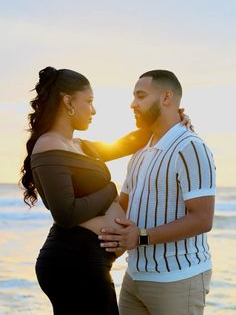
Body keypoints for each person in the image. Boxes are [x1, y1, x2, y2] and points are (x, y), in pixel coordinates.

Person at [20, 67, 191, 315]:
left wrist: (173, 120)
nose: (93, 110)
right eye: (88, 102)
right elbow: (66, 213)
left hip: (89, 261)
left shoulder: (80, 146)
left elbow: (131, 142)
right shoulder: (49, 145)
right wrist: (110, 190)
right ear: (68, 101)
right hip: (72, 261)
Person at [99, 70, 216, 315]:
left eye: (141, 96)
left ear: (166, 98)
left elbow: (202, 219)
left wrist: (141, 236)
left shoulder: (191, 147)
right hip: (134, 278)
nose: (133, 103)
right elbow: (123, 206)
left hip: (178, 280)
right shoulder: (140, 153)